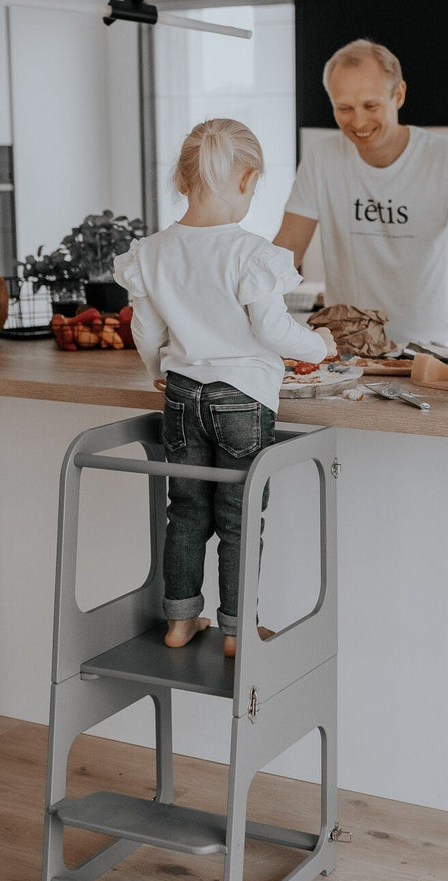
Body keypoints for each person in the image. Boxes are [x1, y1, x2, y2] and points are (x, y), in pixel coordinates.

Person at [114, 118, 336, 655]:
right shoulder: (251, 254)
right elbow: (273, 331)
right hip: (241, 400)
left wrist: (157, 367)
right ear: (247, 180)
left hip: (181, 396)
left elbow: (145, 329)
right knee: (238, 519)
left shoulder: (151, 252)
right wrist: (321, 346)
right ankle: (237, 631)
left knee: (186, 512)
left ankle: (179, 621)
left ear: (182, 179)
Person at [274, 38, 448, 356]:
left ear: (399, 94)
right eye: (344, 108)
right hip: (349, 353)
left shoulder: (446, 158)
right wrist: (244, 312)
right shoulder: (322, 158)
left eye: (371, 106)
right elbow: (287, 250)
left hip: (430, 351)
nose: (358, 122)